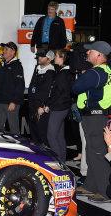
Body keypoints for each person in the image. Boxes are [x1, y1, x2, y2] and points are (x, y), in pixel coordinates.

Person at [72, 40, 111, 203]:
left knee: (97, 154)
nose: (87, 53)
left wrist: (83, 75)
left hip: (95, 117)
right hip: (96, 116)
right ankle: (91, 186)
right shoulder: (104, 71)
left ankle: (105, 191)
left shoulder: (96, 73)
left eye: (90, 51)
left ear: (99, 55)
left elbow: (75, 88)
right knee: (93, 153)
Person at [42, 49, 73, 161]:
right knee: (59, 136)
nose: (55, 58)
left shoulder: (63, 74)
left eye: (56, 56)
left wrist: (48, 104)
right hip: (63, 107)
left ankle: (58, 162)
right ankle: (62, 161)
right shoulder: (67, 72)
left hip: (59, 107)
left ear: (62, 58)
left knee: (51, 136)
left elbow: (58, 93)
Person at [0, 42, 25, 134]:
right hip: (0, 101)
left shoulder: (17, 66)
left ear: (13, 52)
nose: (4, 51)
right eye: (4, 49)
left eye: (6, 49)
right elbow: (0, 82)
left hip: (11, 103)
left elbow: (20, 85)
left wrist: (14, 101)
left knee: (14, 130)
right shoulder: (2, 64)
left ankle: (16, 148)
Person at [28, 50, 56, 144]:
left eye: (42, 57)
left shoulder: (50, 72)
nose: (39, 58)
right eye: (38, 56)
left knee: (42, 134)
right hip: (33, 105)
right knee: (34, 133)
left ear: (49, 60)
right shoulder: (37, 68)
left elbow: (47, 92)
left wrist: (41, 106)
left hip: (41, 108)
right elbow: (32, 85)